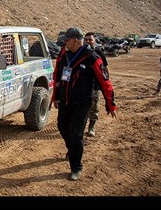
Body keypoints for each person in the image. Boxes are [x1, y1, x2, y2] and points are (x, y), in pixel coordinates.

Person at [50, 27, 117, 181]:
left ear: (74, 41)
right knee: (62, 126)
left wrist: (110, 104)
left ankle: (76, 167)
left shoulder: (91, 56)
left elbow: (105, 81)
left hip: (82, 103)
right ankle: (74, 149)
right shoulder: (63, 54)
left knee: (75, 133)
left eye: (66, 40)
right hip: (66, 101)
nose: (64, 43)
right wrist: (55, 96)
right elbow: (57, 75)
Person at [84, 32, 110, 137]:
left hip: (94, 85)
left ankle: (91, 127)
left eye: (90, 39)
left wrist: (106, 82)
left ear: (94, 40)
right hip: (82, 85)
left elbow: (105, 68)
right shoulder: (81, 52)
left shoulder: (98, 52)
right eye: (86, 40)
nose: (88, 41)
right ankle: (81, 126)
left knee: (94, 106)